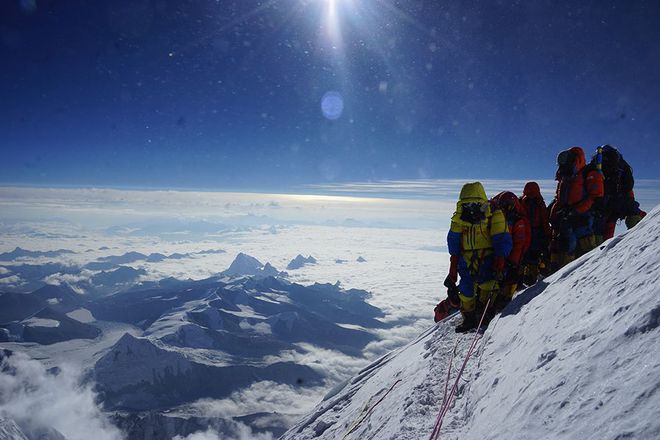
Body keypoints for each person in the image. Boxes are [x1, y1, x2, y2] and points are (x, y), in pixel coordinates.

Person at [443, 182, 512, 332]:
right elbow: (453, 243)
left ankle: (485, 314)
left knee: (488, 285)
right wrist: (453, 270)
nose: (471, 208)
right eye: (467, 205)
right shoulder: (458, 219)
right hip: (465, 259)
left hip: (487, 257)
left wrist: (500, 262)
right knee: (466, 290)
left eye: (474, 204)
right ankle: (469, 318)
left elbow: (502, 239)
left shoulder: (494, 214)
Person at [549, 146, 604, 272]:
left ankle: (590, 272)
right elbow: (559, 199)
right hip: (568, 217)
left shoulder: (589, 173)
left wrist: (576, 211)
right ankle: (563, 274)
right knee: (565, 244)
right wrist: (553, 216)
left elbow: (595, 197)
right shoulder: (565, 177)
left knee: (584, 247)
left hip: (583, 217)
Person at [591, 145, 646, 244]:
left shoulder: (596, 166)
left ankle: (602, 254)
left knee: (602, 235)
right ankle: (642, 238)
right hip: (618, 202)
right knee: (634, 217)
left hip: (603, 206)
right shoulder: (622, 166)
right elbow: (628, 186)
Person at [490, 191, 531, 311]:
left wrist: (513, 263)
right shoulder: (502, 219)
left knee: (510, 278)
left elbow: (519, 244)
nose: (505, 208)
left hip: (513, 257)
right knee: (500, 278)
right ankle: (497, 303)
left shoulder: (517, 221)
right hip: (503, 255)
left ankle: (505, 300)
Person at [519, 182, 552, 285]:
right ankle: (531, 278)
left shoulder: (522, 202)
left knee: (524, 256)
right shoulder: (539, 203)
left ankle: (522, 279)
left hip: (524, 233)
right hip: (537, 233)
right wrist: (548, 235)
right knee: (534, 256)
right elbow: (545, 221)